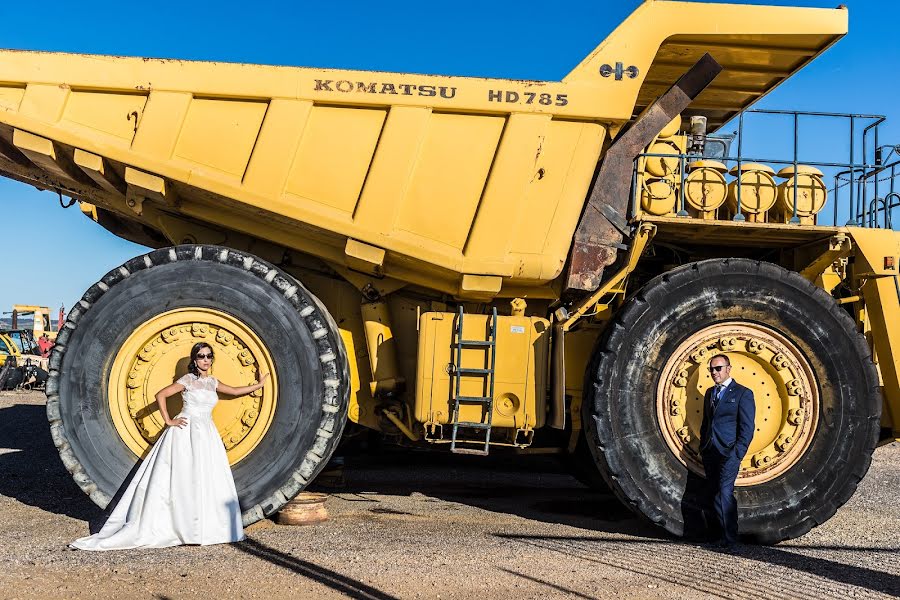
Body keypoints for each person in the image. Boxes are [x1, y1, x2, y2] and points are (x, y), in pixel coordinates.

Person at [70, 342, 269, 551]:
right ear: (194, 360)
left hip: (207, 433)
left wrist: (259, 385)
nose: (205, 360)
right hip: (186, 430)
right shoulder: (187, 380)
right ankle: (182, 527)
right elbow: (161, 395)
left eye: (209, 356)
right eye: (201, 356)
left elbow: (236, 391)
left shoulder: (213, 382)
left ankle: (206, 527)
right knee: (182, 477)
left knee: (206, 477)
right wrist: (169, 420)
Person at [699, 353, 755, 550]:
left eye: (718, 368)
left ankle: (731, 539)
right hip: (710, 450)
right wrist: (703, 446)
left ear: (728, 369)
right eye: (711, 369)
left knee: (724, 492)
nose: (714, 373)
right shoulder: (710, 393)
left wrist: (738, 452)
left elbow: (747, 427)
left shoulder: (742, 393)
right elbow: (707, 422)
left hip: (729, 451)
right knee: (713, 492)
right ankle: (717, 536)